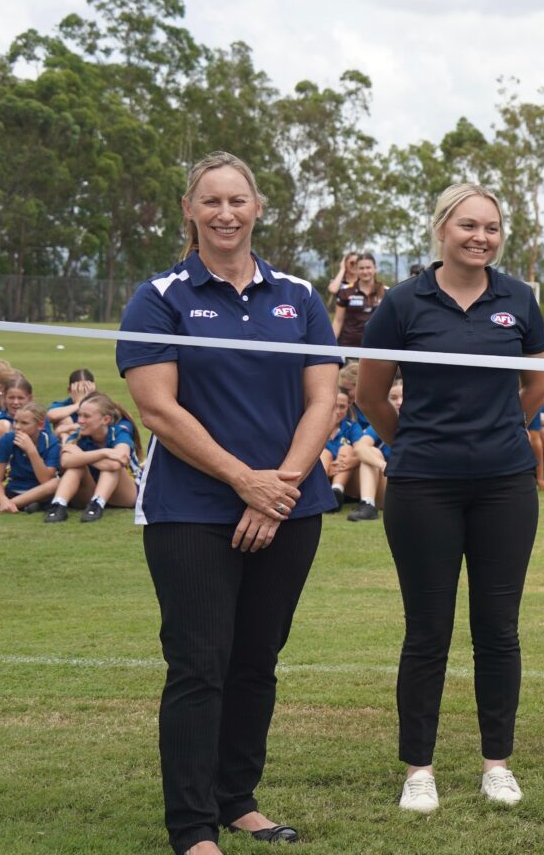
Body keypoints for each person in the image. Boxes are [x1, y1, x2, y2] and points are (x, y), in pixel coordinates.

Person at [118, 151, 341, 855]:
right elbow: (158, 408)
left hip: (289, 509)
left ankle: (236, 799)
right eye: (210, 201)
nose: (224, 213)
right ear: (190, 209)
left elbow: (324, 399)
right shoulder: (160, 297)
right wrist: (245, 481)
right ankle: (191, 829)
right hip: (192, 512)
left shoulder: (300, 297)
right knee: (199, 665)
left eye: (237, 201)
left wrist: (278, 490)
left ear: (258, 209)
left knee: (256, 661)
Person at [357, 182, 544, 813]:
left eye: (491, 227)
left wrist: (495, 437)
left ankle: (497, 762)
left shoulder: (518, 299)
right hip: (422, 489)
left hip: (505, 488)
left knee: (499, 630)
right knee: (427, 633)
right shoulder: (403, 303)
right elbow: (370, 394)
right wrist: (412, 443)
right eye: (468, 225)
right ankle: (419, 768)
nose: (480, 237)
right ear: (441, 229)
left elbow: (536, 385)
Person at [43, 392, 142, 523]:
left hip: (127, 494)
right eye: (79, 415)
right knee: (75, 468)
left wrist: (80, 456)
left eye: (86, 416)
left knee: (109, 468)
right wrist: (104, 453)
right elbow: (65, 461)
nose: (79, 421)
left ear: (105, 420)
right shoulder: (79, 435)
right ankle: (58, 505)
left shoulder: (118, 433)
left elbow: (116, 464)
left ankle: (97, 504)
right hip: (91, 489)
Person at [330, 253, 388, 350]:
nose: (365, 271)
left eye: (368, 267)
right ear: (356, 270)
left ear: (375, 268)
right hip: (349, 347)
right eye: (361, 268)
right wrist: (330, 345)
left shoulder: (386, 292)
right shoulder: (345, 291)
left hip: (378, 348)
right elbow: (338, 321)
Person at [46, 368, 98, 439]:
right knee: (64, 419)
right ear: (69, 390)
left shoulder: (100, 404)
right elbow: (51, 416)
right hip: (70, 442)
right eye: (78, 390)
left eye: (86, 390)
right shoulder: (63, 405)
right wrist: (79, 404)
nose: (83, 394)